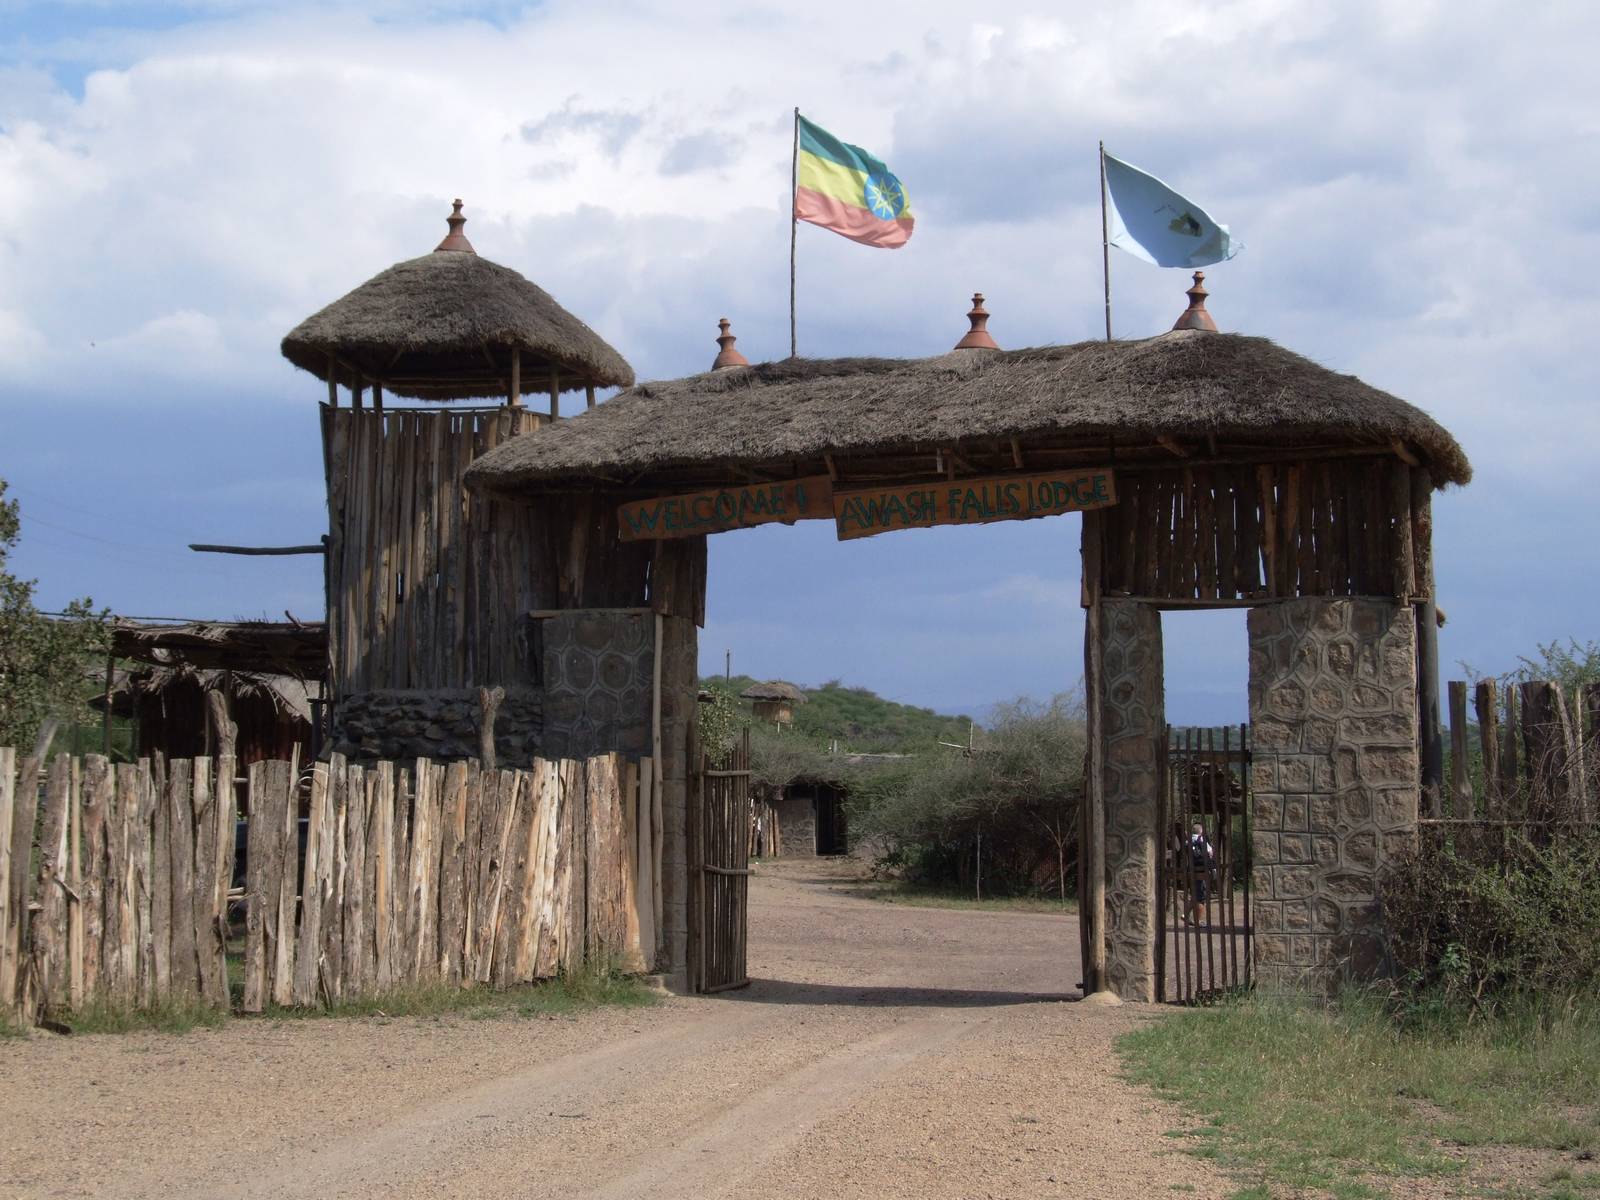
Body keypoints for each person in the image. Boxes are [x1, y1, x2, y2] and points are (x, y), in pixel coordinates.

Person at [1185, 822, 1215, 926]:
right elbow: (1210, 853)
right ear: (1201, 831)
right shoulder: (1202, 840)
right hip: (1202, 870)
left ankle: (1185, 915)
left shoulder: (1188, 841)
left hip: (1190, 870)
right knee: (1201, 897)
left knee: (1194, 894)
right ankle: (1198, 921)